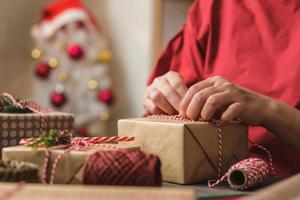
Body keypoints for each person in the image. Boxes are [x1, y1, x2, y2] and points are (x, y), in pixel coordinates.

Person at [144, 0, 300, 179]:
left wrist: (267, 110)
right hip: (206, 180)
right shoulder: (213, 7)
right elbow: (166, 109)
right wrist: (159, 98)